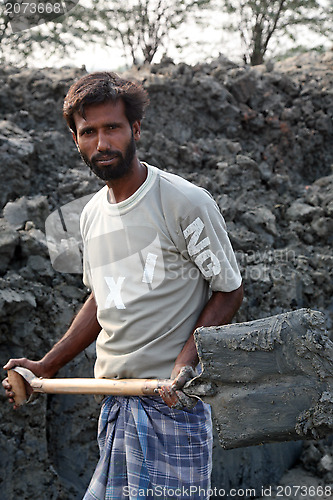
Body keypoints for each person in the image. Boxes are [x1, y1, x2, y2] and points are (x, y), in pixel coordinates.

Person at [3, 72, 243, 499]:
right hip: (115, 404)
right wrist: (46, 365)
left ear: (135, 129)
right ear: (75, 141)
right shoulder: (92, 215)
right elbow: (102, 300)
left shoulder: (184, 202)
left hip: (172, 404)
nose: (101, 143)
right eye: (88, 132)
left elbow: (228, 289)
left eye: (111, 128)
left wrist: (184, 364)